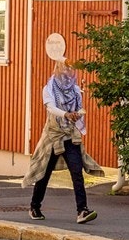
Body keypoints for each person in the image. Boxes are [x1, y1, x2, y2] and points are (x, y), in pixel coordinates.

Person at [23, 59, 101, 224]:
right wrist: (66, 114)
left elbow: (79, 109)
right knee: (44, 172)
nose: (68, 73)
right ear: (57, 70)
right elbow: (50, 107)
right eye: (65, 69)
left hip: (70, 135)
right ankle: (34, 206)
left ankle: (82, 211)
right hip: (53, 136)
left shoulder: (75, 89)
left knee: (77, 172)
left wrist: (77, 114)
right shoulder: (49, 88)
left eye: (70, 70)